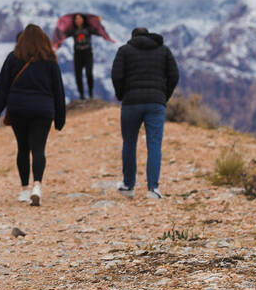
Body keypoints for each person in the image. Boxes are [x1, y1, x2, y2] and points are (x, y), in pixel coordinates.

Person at [0, 25, 66, 207]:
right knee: (39, 149)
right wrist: (60, 118)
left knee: (23, 149)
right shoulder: (50, 59)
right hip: (43, 110)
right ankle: (37, 186)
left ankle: (24, 189)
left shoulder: (13, 58)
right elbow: (58, 91)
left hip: (18, 110)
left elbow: (2, 88)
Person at [111, 27, 180, 199]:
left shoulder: (124, 50)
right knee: (154, 144)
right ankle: (153, 189)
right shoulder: (164, 50)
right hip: (156, 103)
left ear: (132, 37)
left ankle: (128, 186)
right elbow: (174, 75)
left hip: (131, 103)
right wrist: (164, 96)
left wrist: (122, 95)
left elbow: (116, 75)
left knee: (129, 143)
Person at [68, 14, 96, 99]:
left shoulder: (88, 28)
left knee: (89, 73)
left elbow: (97, 29)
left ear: (83, 19)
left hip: (87, 53)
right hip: (78, 53)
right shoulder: (73, 30)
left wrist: (97, 20)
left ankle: (90, 93)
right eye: (76, 19)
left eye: (80, 18)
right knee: (78, 75)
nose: (78, 20)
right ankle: (81, 95)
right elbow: (64, 33)